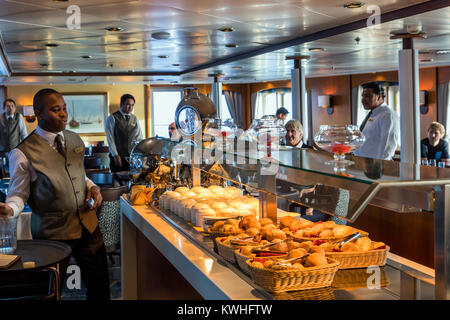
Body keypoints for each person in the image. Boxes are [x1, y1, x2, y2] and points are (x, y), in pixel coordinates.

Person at [0, 88, 110, 300]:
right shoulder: (22, 152)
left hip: (88, 226)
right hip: (54, 234)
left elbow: (81, 176)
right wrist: (10, 209)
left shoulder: (75, 139)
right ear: (38, 114)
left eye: (64, 108)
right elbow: (18, 194)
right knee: (52, 291)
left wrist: (93, 188)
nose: (63, 114)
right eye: (56, 109)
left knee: (100, 287)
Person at [353, 82, 400, 160]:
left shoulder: (387, 115)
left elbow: (387, 147)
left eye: (367, 96)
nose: (363, 100)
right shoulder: (372, 114)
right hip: (363, 163)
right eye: (362, 96)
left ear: (379, 97)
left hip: (377, 166)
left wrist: (378, 167)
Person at [105, 93, 143, 172]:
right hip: (118, 157)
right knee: (118, 181)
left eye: (132, 105)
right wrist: (115, 155)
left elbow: (139, 137)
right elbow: (110, 138)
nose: (130, 107)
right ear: (121, 104)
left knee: (132, 181)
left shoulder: (135, 119)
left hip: (131, 157)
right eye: (128, 104)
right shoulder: (112, 118)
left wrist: (139, 153)